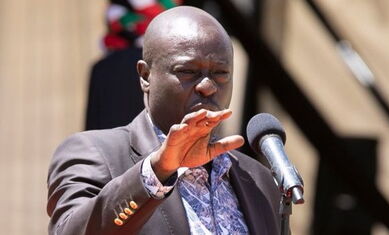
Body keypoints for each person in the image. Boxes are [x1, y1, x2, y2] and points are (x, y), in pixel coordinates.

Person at [47, 6, 280, 235]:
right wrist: (157, 170)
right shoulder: (94, 152)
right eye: (188, 71)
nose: (208, 87)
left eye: (221, 73)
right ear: (145, 76)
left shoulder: (259, 179)